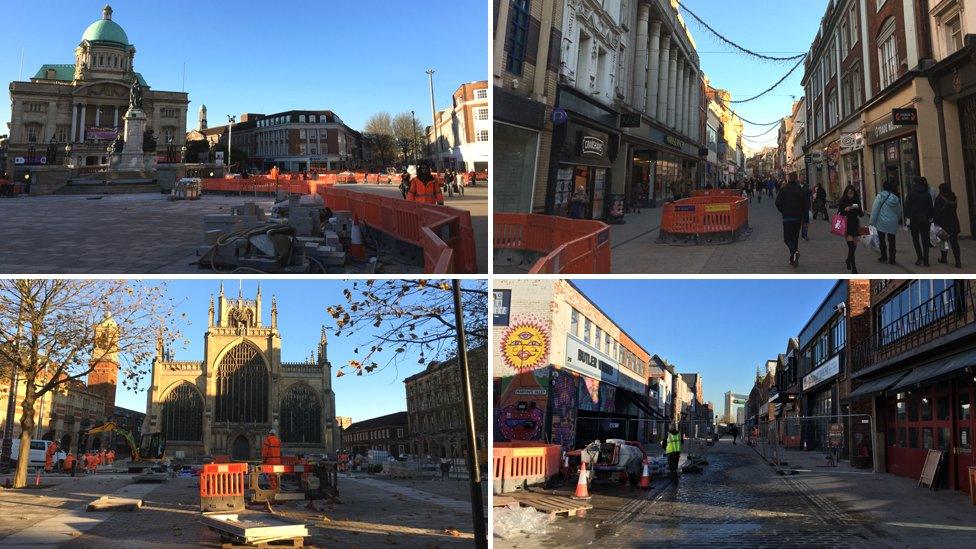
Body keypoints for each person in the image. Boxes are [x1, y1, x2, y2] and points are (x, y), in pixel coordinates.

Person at [775, 173, 810, 268]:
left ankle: (794, 252)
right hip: (798, 218)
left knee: (787, 239)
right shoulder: (800, 190)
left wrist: (783, 210)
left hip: (787, 218)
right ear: (796, 179)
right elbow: (805, 204)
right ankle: (793, 259)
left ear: (789, 178)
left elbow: (777, 202)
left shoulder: (784, 189)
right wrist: (803, 215)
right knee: (794, 239)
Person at [870, 179, 903, 264]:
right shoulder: (895, 198)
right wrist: (897, 219)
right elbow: (899, 211)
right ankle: (892, 258)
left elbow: (875, 209)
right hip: (892, 222)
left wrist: (872, 221)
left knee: (882, 240)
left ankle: (884, 256)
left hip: (881, 222)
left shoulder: (880, 196)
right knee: (892, 240)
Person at [904, 176, 935, 267]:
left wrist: (908, 216)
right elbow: (931, 208)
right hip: (925, 220)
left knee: (916, 239)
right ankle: (926, 260)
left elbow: (907, 206)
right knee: (925, 240)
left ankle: (920, 257)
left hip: (914, 220)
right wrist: (929, 217)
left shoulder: (911, 193)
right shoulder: (927, 194)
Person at [837, 185, 865, 274]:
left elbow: (861, 214)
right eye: (849, 193)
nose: (850, 195)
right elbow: (840, 213)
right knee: (851, 246)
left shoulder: (856, 201)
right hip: (847, 224)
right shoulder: (843, 201)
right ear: (846, 193)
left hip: (855, 224)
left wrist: (857, 208)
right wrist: (845, 209)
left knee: (854, 246)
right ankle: (854, 267)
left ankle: (848, 259)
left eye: (852, 193)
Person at [934, 183, 962, 268]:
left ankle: (944, 258)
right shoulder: (953, 197)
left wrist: (935, 221)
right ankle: (958, 261)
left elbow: (936, 211)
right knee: (954, 243)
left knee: (943, 242)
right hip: (953, 222)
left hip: (943, 223)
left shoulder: (940, 198)